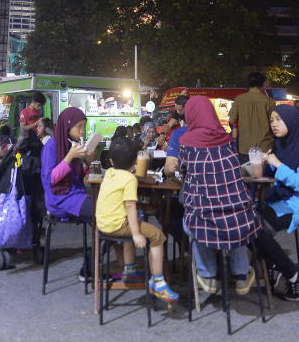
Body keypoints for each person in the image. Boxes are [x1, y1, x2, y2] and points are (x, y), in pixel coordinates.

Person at [179, 96, 259, 295]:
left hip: (205, 218)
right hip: (240, 218)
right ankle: (241, 276)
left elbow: (182, 171)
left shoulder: (186, 142)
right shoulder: (227, 139)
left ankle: (208, 275)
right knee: (233, 220)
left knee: (193, 222)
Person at [96, 136, 179, 302]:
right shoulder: (129, 179)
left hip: (102, 224)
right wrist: (136, 234)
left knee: (134, 221)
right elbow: (130, 207)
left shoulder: (110, 173)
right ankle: (158, 282)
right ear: (135, 161)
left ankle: (130, 270)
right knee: (158, 236)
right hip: (118, 225)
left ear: (111, 161)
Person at [254, 105, 299, 301]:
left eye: (278, 119)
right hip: (279, 200)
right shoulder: (280, 144)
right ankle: (275, 264)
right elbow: (273, 175)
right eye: (272, 120)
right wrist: (261, 166)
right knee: (244, 223)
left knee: (257, 229)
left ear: (290, 120)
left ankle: (293, 274)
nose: (274, 124)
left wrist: (277, 164)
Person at [41, 107, 93, 222]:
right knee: (104, 211)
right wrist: (69, 156)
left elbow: (76, 175)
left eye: (83, 126)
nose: (82, 131)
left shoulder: (70, 144)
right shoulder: (51, 146)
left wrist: (87, 161)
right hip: (60, 199)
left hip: (76, 194)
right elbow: (51, 179)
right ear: (67, 125)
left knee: (108, 209)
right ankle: (109, 239)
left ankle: (104, 239)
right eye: (79, 126)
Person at [228, 71, 276, 163]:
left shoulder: (239, 99)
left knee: (246, 175)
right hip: (265, 147)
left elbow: (232, 120)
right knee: (263, 176)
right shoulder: (269, 101)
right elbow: (274, 122)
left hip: (244, 147)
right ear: (262, 83)